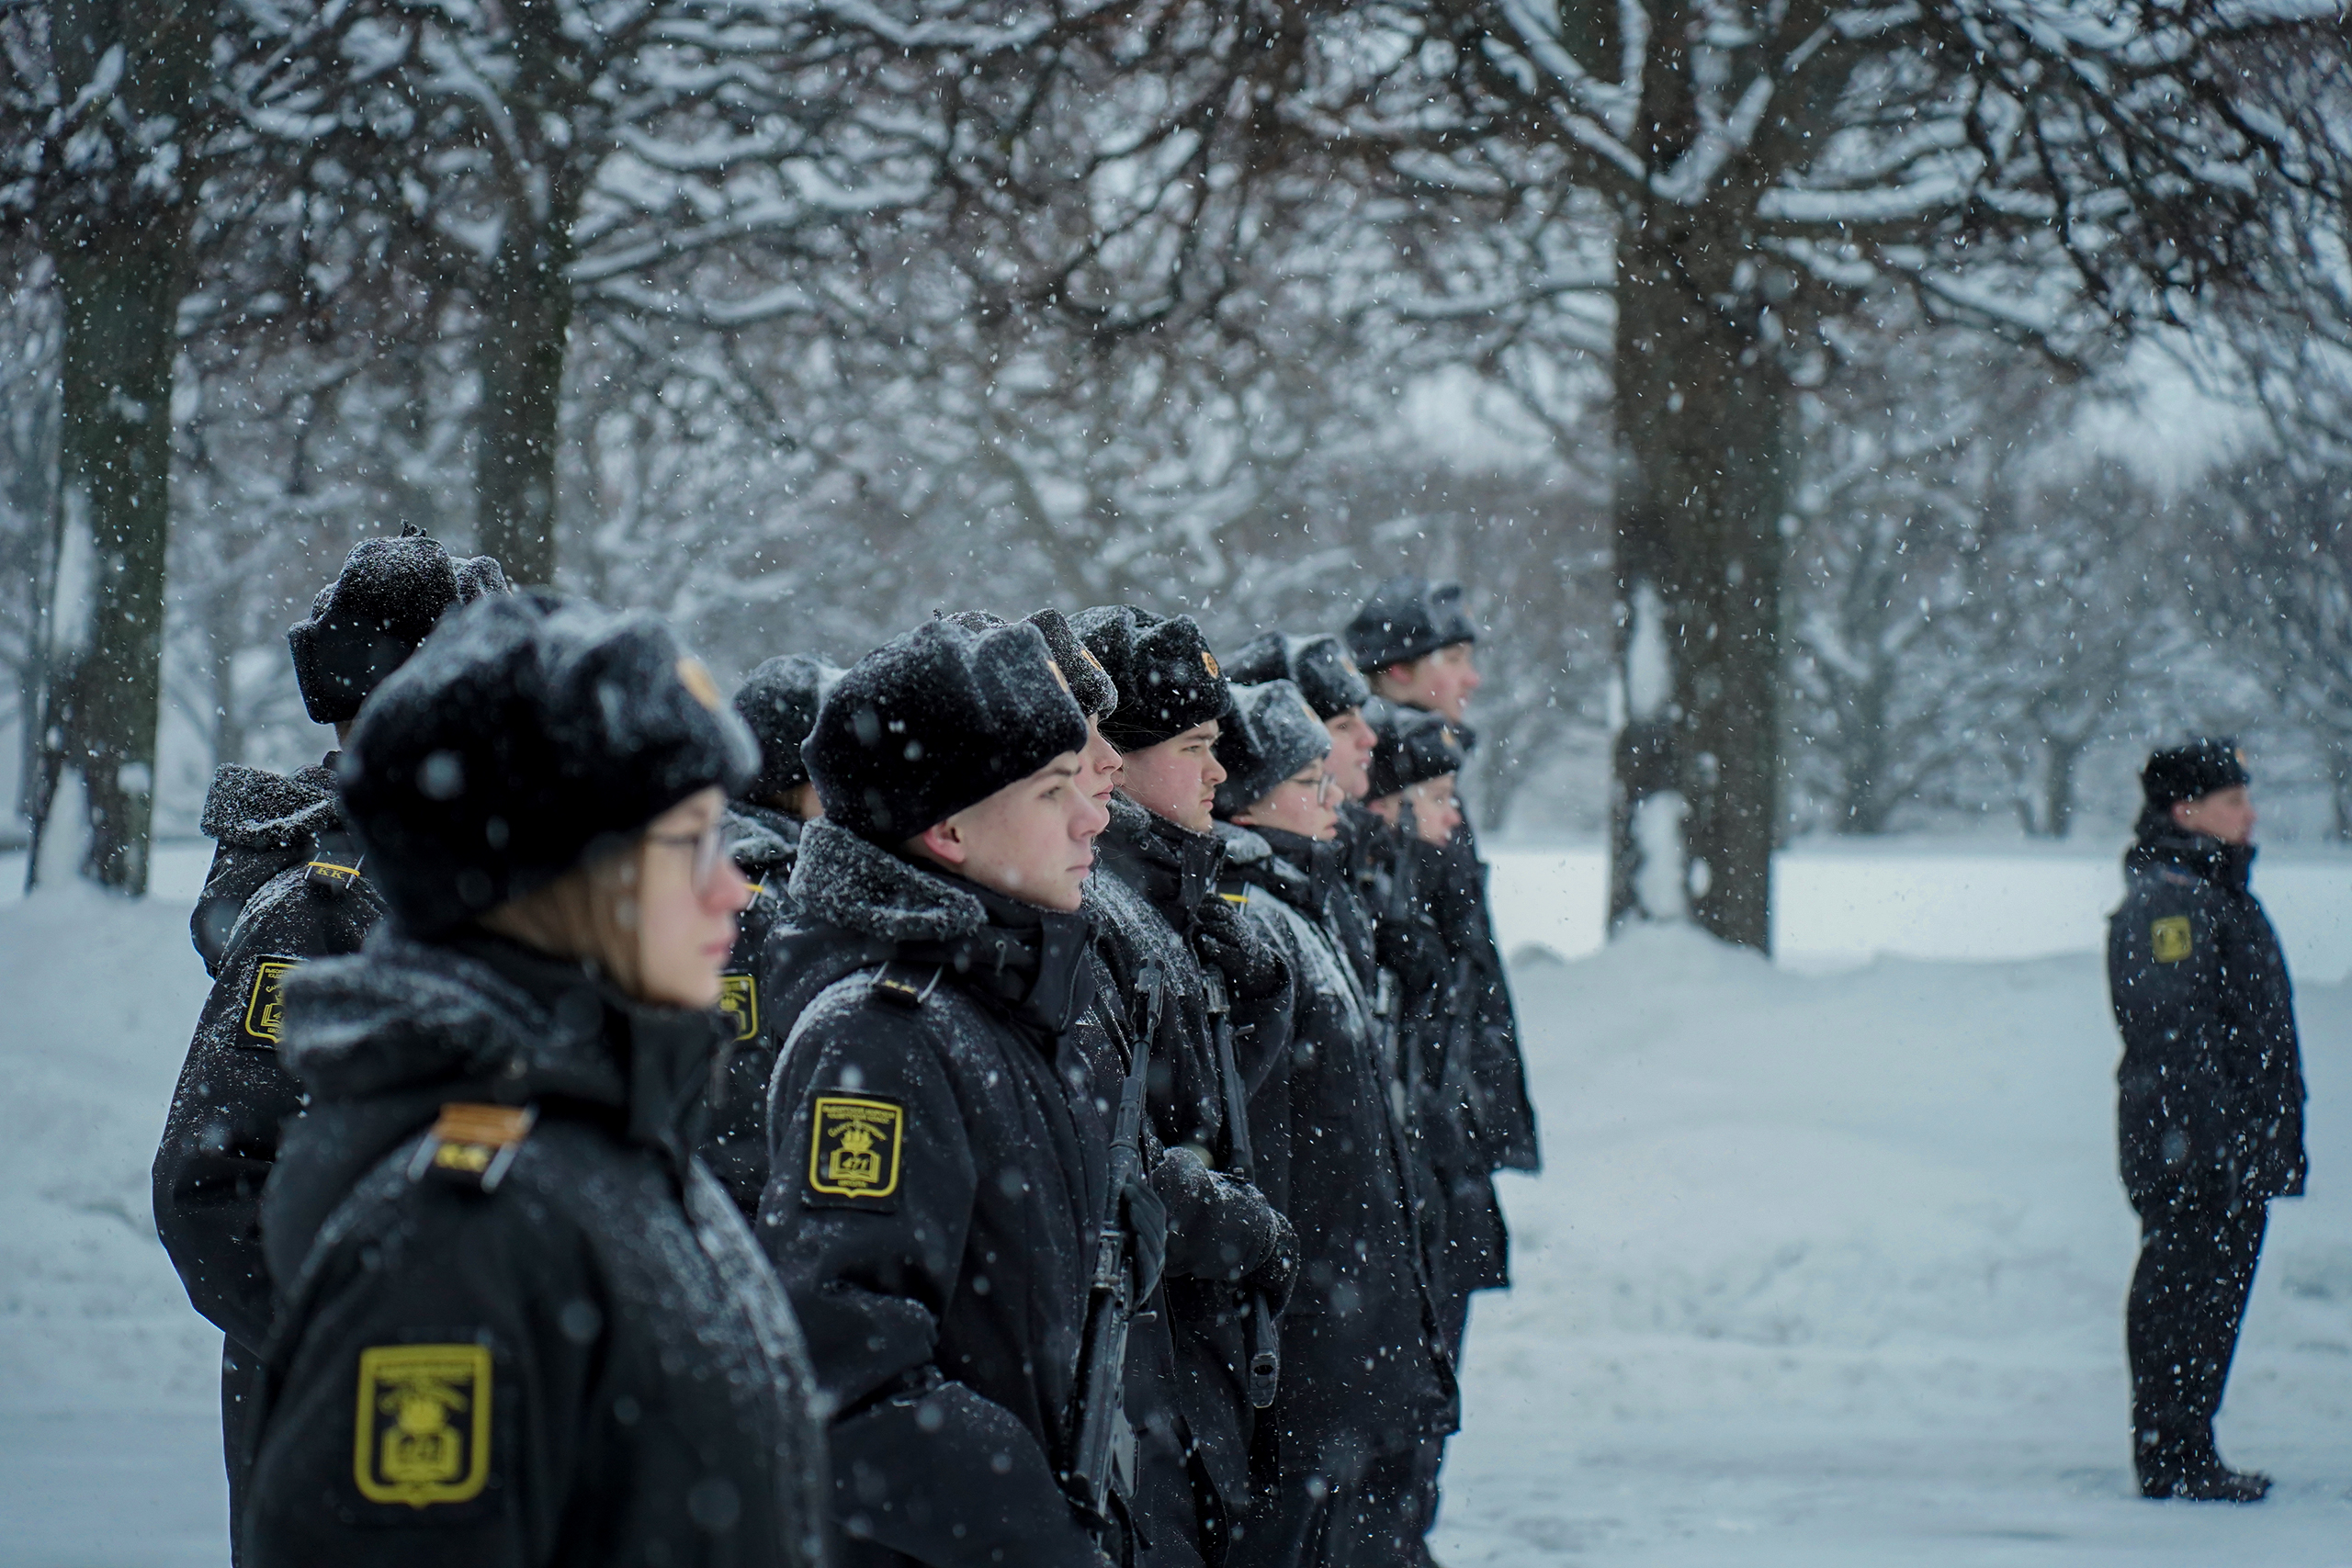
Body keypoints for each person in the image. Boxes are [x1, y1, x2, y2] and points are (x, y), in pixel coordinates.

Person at [239, 592, 829, 1566]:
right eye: (688, 845)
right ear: (555, 877)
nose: (734, 887)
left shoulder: (610, 1144)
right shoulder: (461, 1235)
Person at [758, 617, 1138, 1567]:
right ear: (950, 829)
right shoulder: (883, 1036)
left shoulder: (1013, 1005)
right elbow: (846, 1373)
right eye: (1054, 791)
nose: (1094, 816)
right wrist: (1040, 1540)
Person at [153, 525, 505, 1531]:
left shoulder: (464, 888)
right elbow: (211, 1188)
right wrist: (376, 1353)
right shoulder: (321, 913)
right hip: (356, 1437)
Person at [1075, 605, 1299, 1565]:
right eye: (1196, 745)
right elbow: (1115, 1153)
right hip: (1147, 1379)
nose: (1219, 770)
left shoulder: (1164, 901)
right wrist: (1236, 1227)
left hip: (1186, 1368)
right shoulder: (1103, 913)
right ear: (1114, 762)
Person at [1213, 681, 1455, 1568]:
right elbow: (1263, 1156)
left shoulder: (1303, 909)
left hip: (1352, 1328)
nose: (1334, 805)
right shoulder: (1260, 925)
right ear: (1248, 796)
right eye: (1309, 781)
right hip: (1316, 1345)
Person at [2109, 739, 2307, 1502]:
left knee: (2213, 1295)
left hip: (2229, 1143)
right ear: (2186, 811)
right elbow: (2171, 1034)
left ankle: (2190, 1444)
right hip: (2192, 1143)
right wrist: (2203, 1142)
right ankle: (2170, 1452)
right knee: (2182, 1293)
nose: (2249, 815)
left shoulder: (2215, 891)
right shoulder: (2171, 899)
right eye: (2232, 801)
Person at [702, 653, 842, 1218]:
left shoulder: (709, 861)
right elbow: (746, 1092)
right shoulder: (766, 894)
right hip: (759, 1208)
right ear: (799, 775)